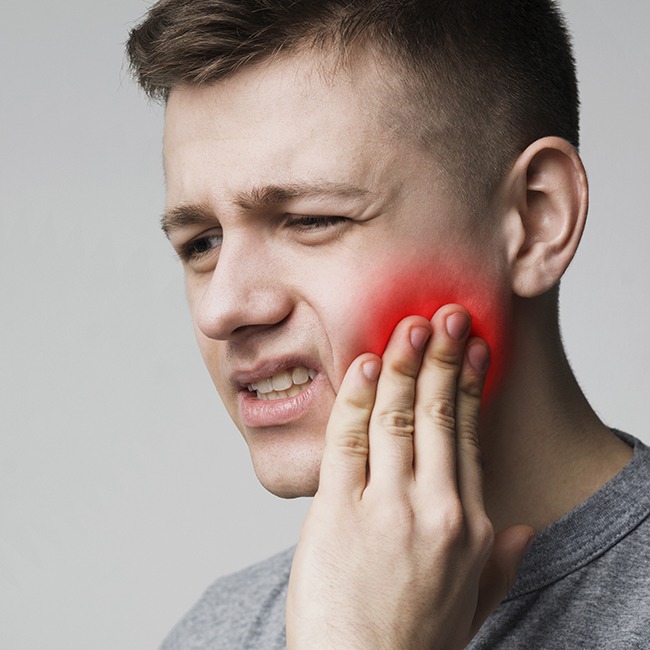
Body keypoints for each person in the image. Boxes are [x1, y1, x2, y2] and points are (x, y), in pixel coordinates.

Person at [126, 1, 650, 647]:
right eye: (200, 243)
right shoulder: (212, 632)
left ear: (536, 220)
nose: (221, 308)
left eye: (312, 219)